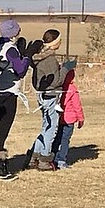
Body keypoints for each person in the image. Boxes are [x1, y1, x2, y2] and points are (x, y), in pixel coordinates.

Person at [0, 18, 30, 180]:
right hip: (8, 93)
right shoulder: (11, 49)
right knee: (3, 130)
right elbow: (20, 71)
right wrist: (26, 58)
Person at [24, 29, 66, 170]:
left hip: (43, 95)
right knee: (51, 128)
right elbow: (55, 81)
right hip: (51, 96)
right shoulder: (50, 59)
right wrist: (66, 69)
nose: (60, 42)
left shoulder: (39, 57)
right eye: (59, 40)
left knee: (45, 126)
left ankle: (34, 156)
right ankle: (44, 159)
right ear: (54, 43)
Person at [52, 63, 84, 170]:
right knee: (65, 140)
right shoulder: (72, 89)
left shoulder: (58, 88)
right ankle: (61, 160)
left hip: (59, 118)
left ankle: (52, 157)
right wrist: (81, 118)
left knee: (57, 138)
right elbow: (77, 105)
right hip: (69, 120)